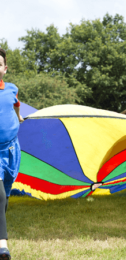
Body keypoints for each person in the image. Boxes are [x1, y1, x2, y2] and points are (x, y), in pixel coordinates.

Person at [0, 48, 24, 260]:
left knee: (5, 194)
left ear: (4, 69)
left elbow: (15, 106)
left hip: (11, 149)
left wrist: (19, 117)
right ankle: (2, 246)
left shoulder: (12, 89)